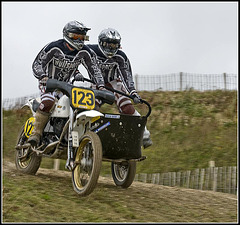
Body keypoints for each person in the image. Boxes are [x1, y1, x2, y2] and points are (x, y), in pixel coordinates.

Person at [28, 20, 105, 147]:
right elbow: (37, 64)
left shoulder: (85, 52)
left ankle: (70, 135)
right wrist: (43, 76)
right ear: (67, 35)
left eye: (82, 37)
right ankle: (36, 133)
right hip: (49, 84)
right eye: (76, 37)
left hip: (67, 86)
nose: (80, 40)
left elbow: (95, 69)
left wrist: (101, 86)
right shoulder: (53, 47)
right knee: (48, 102)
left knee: (79, 107)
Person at [87, 28, 152, 148]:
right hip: (94, 84)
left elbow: (126, 75)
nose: (111, 48)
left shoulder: (121, 56)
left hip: (114, 84)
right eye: (108, 44)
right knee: (92, 109)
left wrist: (133, 92)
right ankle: (88, 136)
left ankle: (144, 134)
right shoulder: (90, 50)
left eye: (114, 45)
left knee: (127, 107)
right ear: (101, 42)